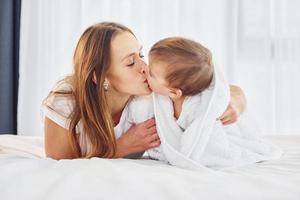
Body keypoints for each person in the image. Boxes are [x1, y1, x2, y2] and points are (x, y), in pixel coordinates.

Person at [42, 22, 246, 160]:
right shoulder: (66, 102)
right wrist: (120, 148)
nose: (144, 66)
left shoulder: (151, 90)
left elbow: (210, 87)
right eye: (131, 62)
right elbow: (59, 167)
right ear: (99, 77)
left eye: (140, 54)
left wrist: (236, 101)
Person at [126, 37, 281, 169]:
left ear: (174, 92)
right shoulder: (160, 97)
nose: (145, 68)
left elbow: (208, 145)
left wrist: (186, 156)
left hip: (228, 133)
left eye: (151, 73)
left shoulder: (198, 107)